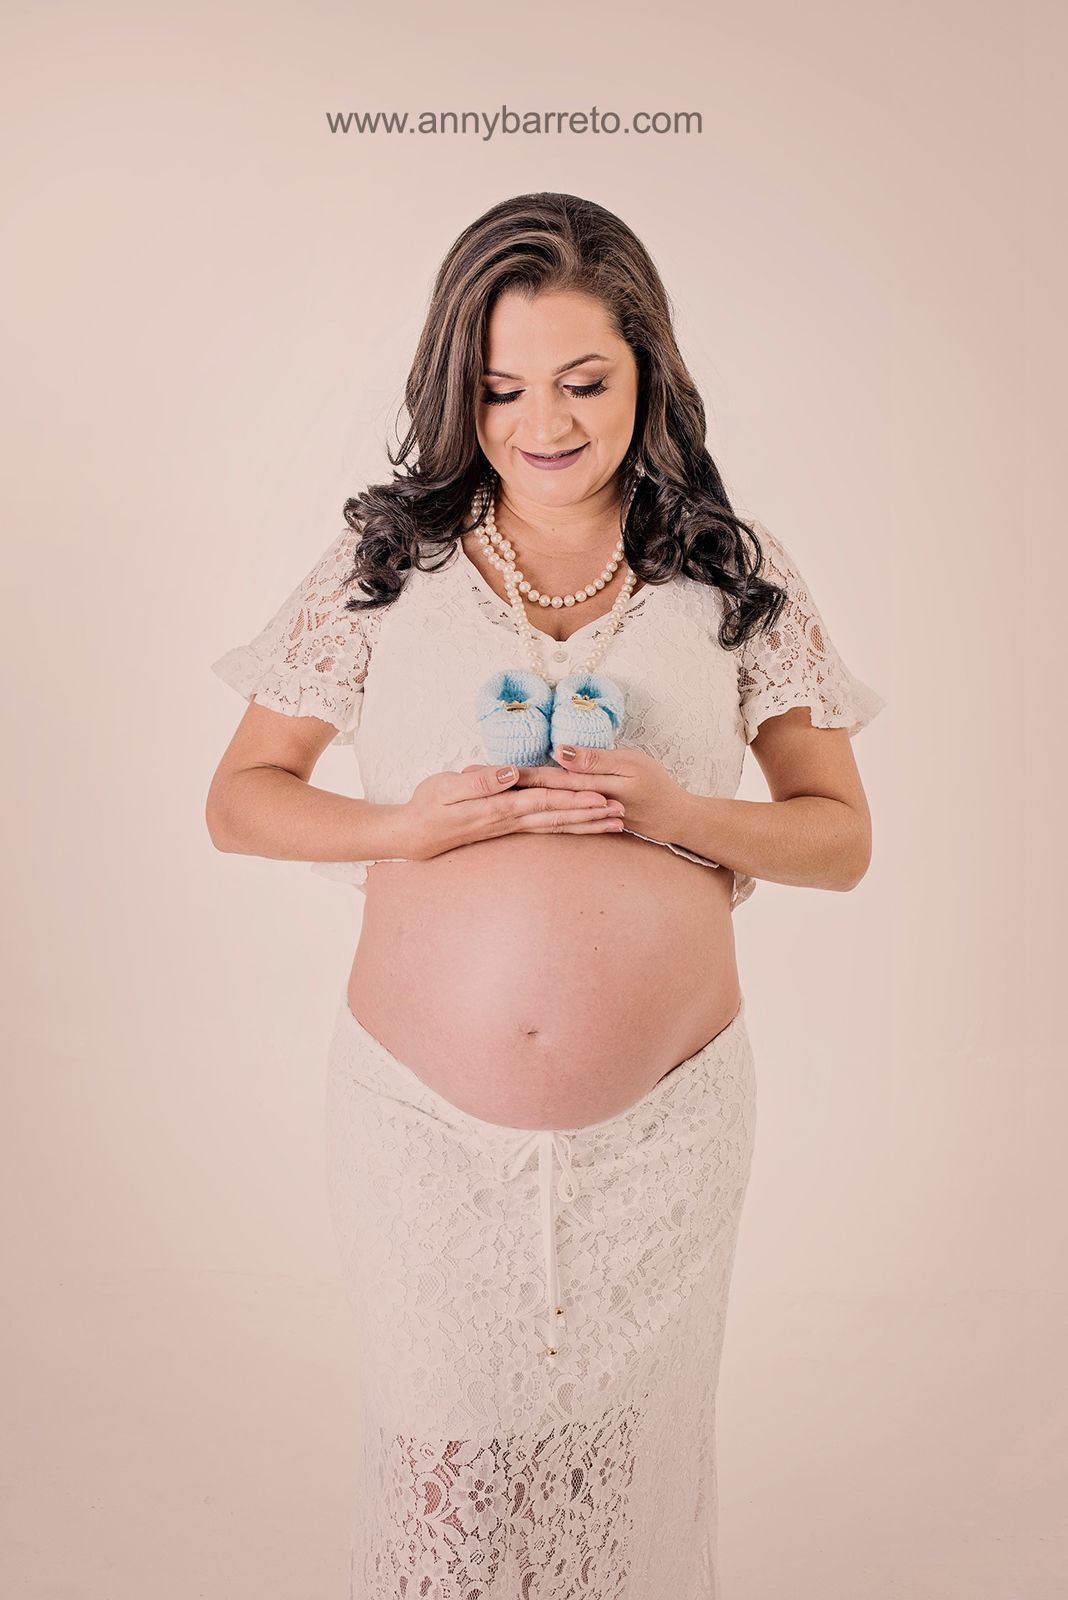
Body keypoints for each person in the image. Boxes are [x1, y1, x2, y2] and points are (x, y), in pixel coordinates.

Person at [206, 191, 885, 1599]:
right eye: (502, 387)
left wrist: (678, 812)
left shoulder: (731, 574)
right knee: (448, 1496)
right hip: (419, 1133)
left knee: (620, 1487)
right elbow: (242, 798)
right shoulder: (388, 567)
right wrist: (409, 825)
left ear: (649, 371)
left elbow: (838, 839)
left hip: (667, 1136)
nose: (543, 422)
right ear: (459, 388)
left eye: (584, 380)